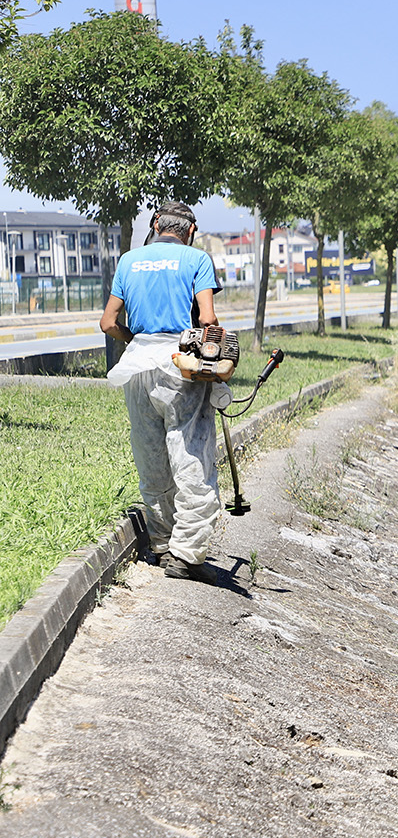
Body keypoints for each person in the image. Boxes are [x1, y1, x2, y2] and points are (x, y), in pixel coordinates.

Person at [99, 202, 224, 584]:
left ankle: (162, 544)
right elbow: (206, 319)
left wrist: (135, 339)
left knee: (151, 457)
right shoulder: (196, 259)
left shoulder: (128, 261)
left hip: (136, 367)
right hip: (178, 363)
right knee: (191, 454)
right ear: (190, 231)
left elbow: (107, 323)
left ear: (155, 226)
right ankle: (186, 555)